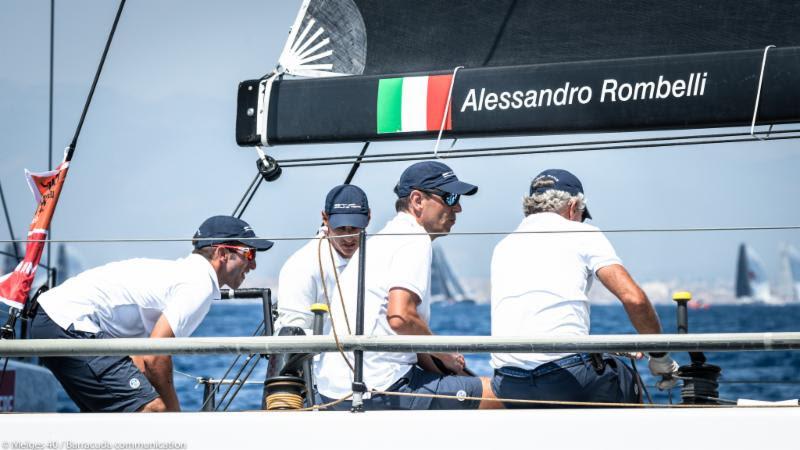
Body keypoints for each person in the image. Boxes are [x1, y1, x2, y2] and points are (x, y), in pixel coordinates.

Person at [29, 215, 273, 412]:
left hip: (52, 320)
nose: (253, 265)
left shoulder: (185, 275)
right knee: (154, 411)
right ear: (222, 254)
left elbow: (141, 359)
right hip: (69, 324)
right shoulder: (198, 283)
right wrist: (174, 414)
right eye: (249, 254)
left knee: (122, 415)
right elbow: (155, 356)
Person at [315, 161, 500, 410]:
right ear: (417, 200)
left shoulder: (381, 240)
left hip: (333, 391)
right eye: (450, 197)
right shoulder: (414, 239)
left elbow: (405, 334)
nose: (458, 207)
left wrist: (448, 366)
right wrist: (447, 355)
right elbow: (401, 318)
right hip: (381, 388)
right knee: (502, 396)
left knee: (466, 383)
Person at [490, 169, 679, 407]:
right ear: (573, 207)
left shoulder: (504, 245)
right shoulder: (582, 233)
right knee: (623, 377)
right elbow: (634, 300)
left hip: (508, 382)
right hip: (564, 378)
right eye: (581, 213)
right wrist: (659, 356)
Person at [275, 184, 370, 334]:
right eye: (340, 228)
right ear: (325, 219)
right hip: (321, 356)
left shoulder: (378, 258)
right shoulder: (301, 266)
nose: (349, 237)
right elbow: (292, 333)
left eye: (354, 228)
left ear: (369, 218)